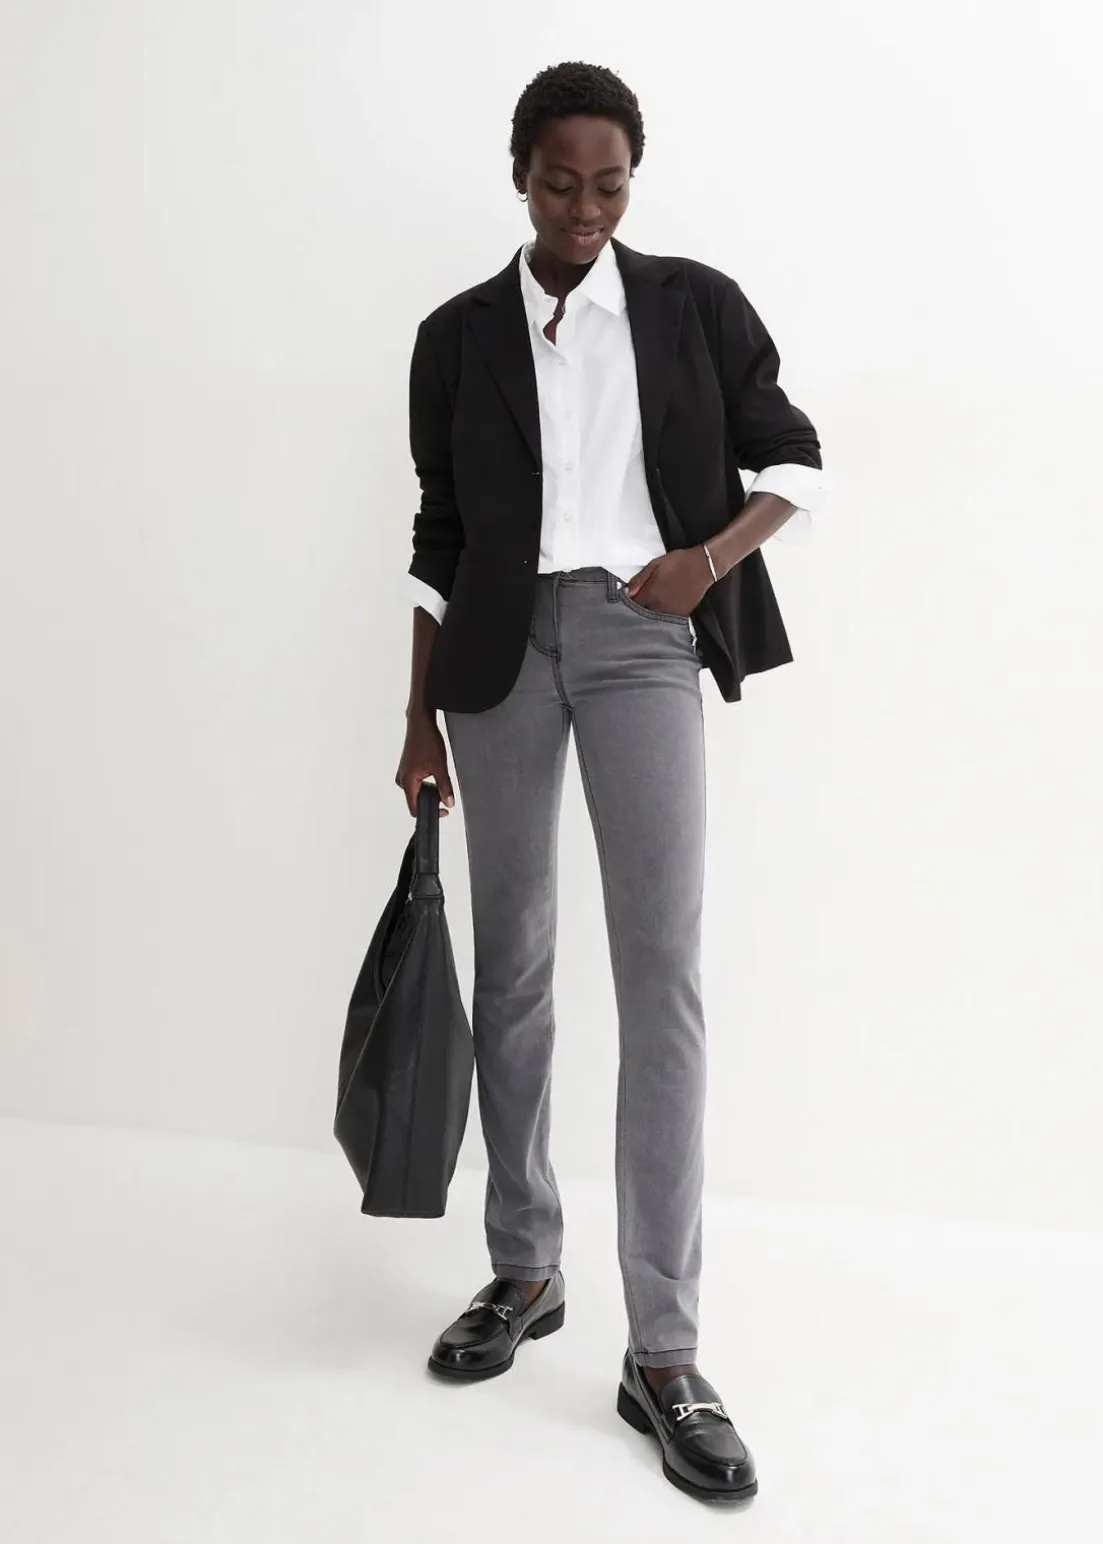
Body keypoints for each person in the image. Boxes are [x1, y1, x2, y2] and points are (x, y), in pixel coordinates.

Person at [394, 60, 826, 1504]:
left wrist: (702, 561)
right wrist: (415, 717)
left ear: (632, 182)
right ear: (519, 175)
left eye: (609, 183)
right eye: (560, 180)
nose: (585, 206)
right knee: (511, 962)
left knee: (662, 974)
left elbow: (796, 463)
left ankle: (665, 1350)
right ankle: (524, 1266)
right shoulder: (457, 336)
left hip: (643, 635)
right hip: (499, 656)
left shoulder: (693, 306)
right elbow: (439, 535)